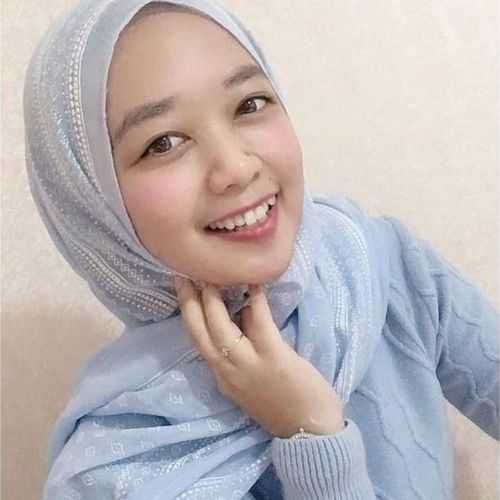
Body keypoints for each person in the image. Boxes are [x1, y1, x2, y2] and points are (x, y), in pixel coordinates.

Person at [23, 0, 499, 499]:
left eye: (249, 104)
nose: (236, 167)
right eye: (163, 142)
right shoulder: (115, 469)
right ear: (91, 202)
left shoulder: (377, 263)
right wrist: (311, 433)